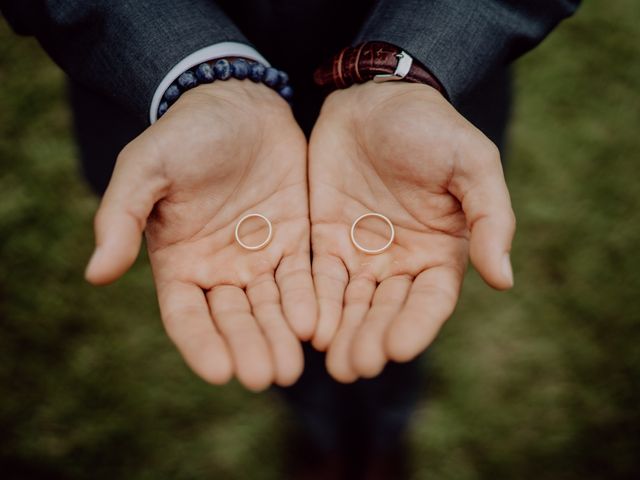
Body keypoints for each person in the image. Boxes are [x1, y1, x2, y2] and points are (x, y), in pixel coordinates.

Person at [0, 1, 580, 478]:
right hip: (171, 110)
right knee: (275, 315)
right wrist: (194, 72)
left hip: (421, 102)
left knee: (390, 302)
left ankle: (383, 433)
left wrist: (410, 64)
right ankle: (320, 432)